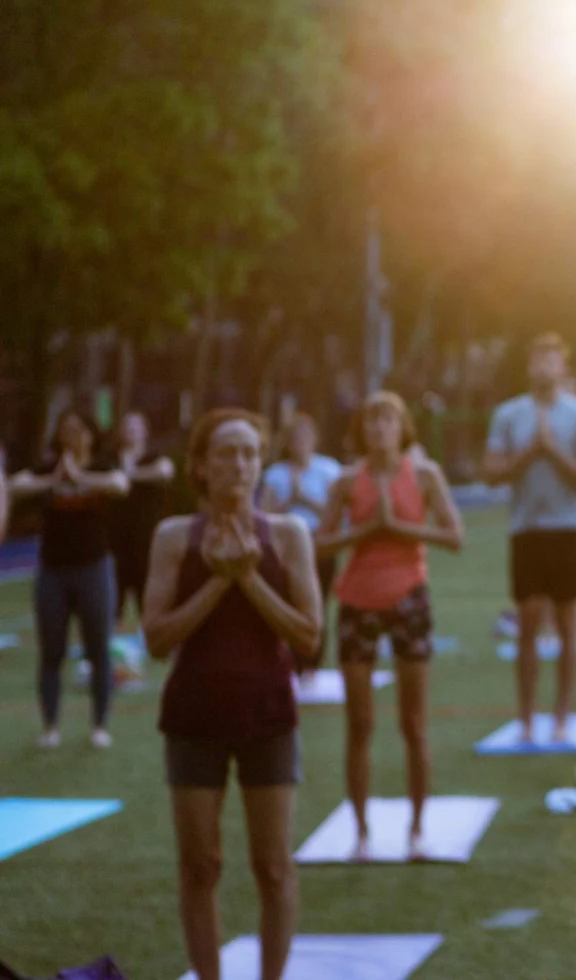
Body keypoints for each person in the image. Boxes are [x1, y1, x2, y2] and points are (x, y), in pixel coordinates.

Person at [141, 409, 323, 980]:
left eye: (249, 453)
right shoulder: (174, 537)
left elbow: (309, 636)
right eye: (225, 454)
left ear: (261, 462)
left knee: (272, 866)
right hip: (193, 713)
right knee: (200, 866)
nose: (239, 465)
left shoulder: (289, 534)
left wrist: (248, 577)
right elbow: (155, 639)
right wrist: (220, 578)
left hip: (268, 710)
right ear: (200, 466)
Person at [316, 392, 463, 862]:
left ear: (403, 429)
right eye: (372, 420)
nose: (380, 427)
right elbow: (320, 545)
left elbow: (454, 537)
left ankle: (417, 830)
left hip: (408, 598)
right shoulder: (345, 481)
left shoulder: (424, 474)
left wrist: (399, 527)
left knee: (413, 724)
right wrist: (364, 532)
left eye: (389, 419)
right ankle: (360, 832)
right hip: (357, 602)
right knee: (359, 725)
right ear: (362, 430)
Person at [484, 333, 576, 745]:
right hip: (526, 529)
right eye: (537, 358)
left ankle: (562, 715)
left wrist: (551, 451)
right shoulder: (509, 415)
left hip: (569, 527)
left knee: (568, 620)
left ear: (562, 366)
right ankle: (526, 717)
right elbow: (492, 472)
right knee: (529, 620)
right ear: (528, 365)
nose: (543, 366)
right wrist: (529, 453)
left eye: (551, 358)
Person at [8, 410, 130, 749]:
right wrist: (56, 480)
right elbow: (17, 484)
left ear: (91, 435)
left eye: (79, 429)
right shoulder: (48, 468)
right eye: (66, 429)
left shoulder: (102, 468)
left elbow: (120, 485)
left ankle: (99, 725)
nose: (72, 435)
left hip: (94, 568)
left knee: (98, 648)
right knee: (51, 650)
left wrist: (81, 477)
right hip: (53, 571)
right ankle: (51, 726)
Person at [260, 413, 342, 677]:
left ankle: (313, 663)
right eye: (295, 438)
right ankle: (291, 662)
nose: (300, 443)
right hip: (286, 549)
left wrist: (303, 498)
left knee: (318, 601)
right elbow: (264, 516)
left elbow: (336, 515)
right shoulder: (276, 474)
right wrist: (288, 501)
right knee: (290, 602)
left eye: (305, 437)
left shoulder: (329, 470)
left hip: (320, 546)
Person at [110, 410, 176, 629]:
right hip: (117, 540)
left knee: (147, 594)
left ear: (145, 431)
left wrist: (129, 474)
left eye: (135, 427)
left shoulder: (154, 456)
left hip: (147, 538)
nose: (130, 432)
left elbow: (165, 472)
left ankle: (147, 638)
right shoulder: (110, 459)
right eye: (126, 427)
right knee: (114, 596)